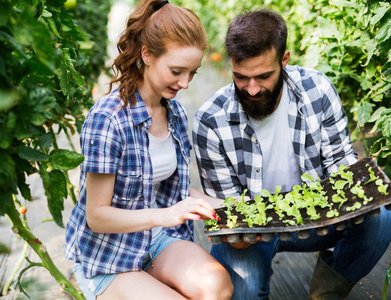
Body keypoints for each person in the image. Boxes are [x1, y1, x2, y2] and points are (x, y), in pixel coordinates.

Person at [192, 8, 391, 300]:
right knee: (244, 291)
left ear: (284, 60)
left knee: (381, 218)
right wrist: (238, 234)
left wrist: (358, 198)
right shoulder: (210, 121)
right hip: (252, 234)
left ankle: (326, 293)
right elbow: (228, 207)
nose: (252, 88)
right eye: (241, 77)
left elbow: (341, 164)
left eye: (263, 76)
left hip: (318, 220)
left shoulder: (317, 91)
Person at [65, 1, 234, 299]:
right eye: (176, 71)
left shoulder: (176, 113)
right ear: (147, 55)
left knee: (218, 287)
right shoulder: (108, 119)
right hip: (107, 253)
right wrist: (165, 215)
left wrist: (216, 204)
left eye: (192, 73)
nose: (184, 83)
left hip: (153, 238)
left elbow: (173, 189)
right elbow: (97, 216)